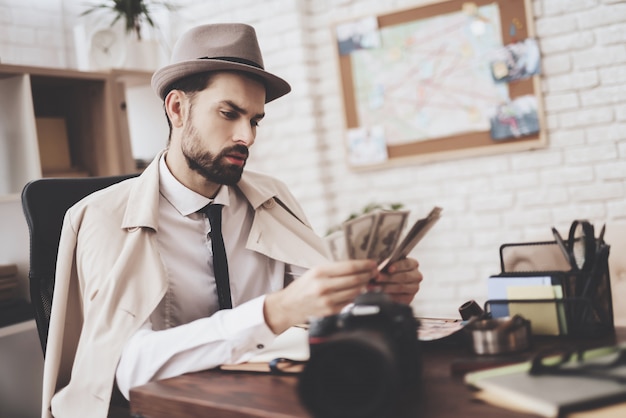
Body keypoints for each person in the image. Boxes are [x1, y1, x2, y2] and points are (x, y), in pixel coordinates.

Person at [41, 23, 423, 418]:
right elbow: (124, 365)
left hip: (273, 403)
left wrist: (371, 296)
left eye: (255, 120)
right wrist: (270, 313)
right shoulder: (102, 218)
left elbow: (314, 306)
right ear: (177, 109)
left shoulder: (272, 198)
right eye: (229, 113)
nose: (247, 136)